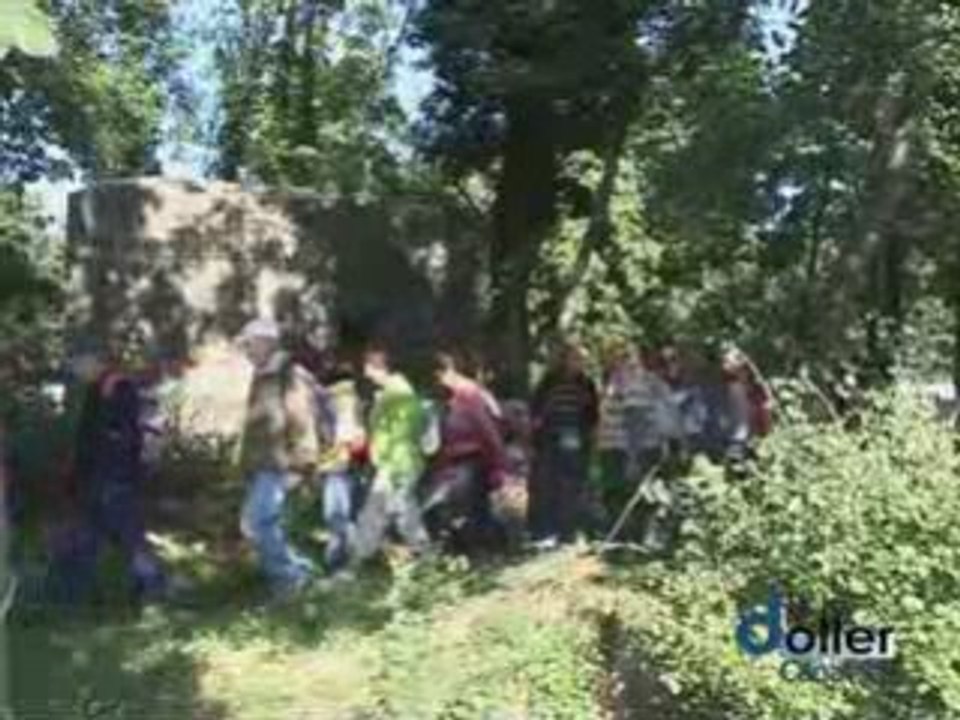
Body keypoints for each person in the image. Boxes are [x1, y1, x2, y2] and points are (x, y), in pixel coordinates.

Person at [46, 341, 168, 606]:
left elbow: (124, 437)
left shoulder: (119, 388)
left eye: (77, 363)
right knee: (88, 537)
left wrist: (114, 473)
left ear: (93, 360)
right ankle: (71, 595)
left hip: (113, 479)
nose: (74, 369)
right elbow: (88, 439)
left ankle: (155, 587)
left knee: (129, 538)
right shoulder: (96, 389)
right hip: (96, 480)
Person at [237, 319, 321, 601]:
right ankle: (300, 574)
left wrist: (303, 463)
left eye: (250, 344)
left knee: (260, 522)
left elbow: (301, 420)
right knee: (255, 523)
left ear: (266, 342)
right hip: (263, 466)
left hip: (280, 465)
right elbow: (258, 426)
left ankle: (290, 582)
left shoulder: (287, 375)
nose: (246, 351)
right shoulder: (262, 375)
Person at [419, 351, 509, 556]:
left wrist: (499, 463)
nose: (438, 382)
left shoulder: (468, 393)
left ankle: (481, 553)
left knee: (468, 511)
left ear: (446, 372)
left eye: (439, 376)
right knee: (472, 509)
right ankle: (483, 551)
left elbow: (487, 429)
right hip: (456, 462)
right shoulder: (450, 397)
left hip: (471, 460)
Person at [352, 345, 430, 563]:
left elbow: (405, 431)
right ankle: (426, 557)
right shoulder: (392, 392)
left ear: (378, 367)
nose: (366, 373)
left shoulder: (399, 393)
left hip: (397, 463)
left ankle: (355, 565)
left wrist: (391, 464)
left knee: (377, 514)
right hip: (395, 462)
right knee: (404, 512)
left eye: (368, 367)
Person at [529, 342, 599, 547]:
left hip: (577, 438)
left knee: (573, 485)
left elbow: (593, 414)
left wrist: (591, 439)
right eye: (575, 358)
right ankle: (546, 531)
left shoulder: (586, 383)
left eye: (582, 360)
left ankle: (570, 532)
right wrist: (535, 436)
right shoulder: (549, 382)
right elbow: (537, 411)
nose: (579, 363)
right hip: (551, 438)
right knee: (549, 484)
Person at [315, 349, 367, 577]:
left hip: (337, 463)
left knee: (337, 514)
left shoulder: (337, 397)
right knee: (350, 513)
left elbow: (347, 434)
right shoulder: (352, 395)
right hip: (351, 462)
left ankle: (342, 565)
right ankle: (351, 561)